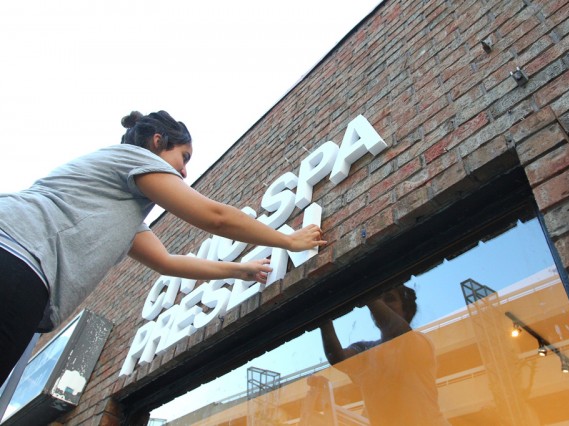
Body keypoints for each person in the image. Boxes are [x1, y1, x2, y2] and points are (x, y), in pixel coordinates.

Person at [0, 110, 326, 386]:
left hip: (22, 268)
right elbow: (216, 217)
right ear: (158, 142)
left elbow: (167, 263)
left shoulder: (116, 206)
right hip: (16, 255)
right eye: (183, 157)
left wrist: (242, 269)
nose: (184, 172)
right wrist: (287, 239)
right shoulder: (133, 158)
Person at [319, 285, 449, 425]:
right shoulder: (365, 350)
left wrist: (362, 288)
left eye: (389, 299)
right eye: (379, 299)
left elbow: (395, 331)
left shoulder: (418, 343)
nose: (381, 303)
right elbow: (338, 358)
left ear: (406, 311)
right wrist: (323, 314)